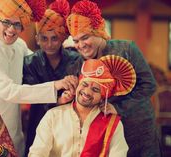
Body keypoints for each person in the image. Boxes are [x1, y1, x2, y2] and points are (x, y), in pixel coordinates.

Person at [0, 0, 78, 156]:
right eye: (7, 22)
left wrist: (65, 52)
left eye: (18, 24)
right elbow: (10, 92)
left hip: (15, 130)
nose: (11, 29)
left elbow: (38, 62)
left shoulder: (19, 44)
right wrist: (56, 85)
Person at [66, 0, 161, 157]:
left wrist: (119, 108)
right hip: (105, 135)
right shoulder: (77, 63)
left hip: (139, 130)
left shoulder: (127, 49)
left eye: (85, 37)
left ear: (98, 31)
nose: (80, 45)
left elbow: (149, 85)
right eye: (76, 41)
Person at [28, 55, 137, 157]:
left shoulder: (111, 123)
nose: (87, 92)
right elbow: (37, 153)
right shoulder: (53, 115)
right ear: (78, 84)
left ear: (103, 97)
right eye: (84, 84)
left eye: (95, 89)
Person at [23, 0, 80, 155]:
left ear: (62, 38)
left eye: (54, 38)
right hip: (38, 118)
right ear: (37, 39)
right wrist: (58, 100)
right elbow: (30, 93)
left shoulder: (76, 60)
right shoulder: (30, 62)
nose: (49, 44)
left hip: (69, 119)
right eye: (44, 38)